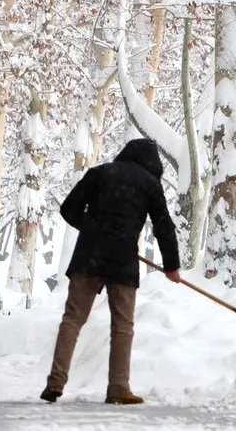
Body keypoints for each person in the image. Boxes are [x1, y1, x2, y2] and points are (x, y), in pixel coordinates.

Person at [40, 138, 182, 405]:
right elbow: (163, 224)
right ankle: (118, 387)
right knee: (122, 326)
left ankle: (55, 381)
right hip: (123, 258)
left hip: (89, 255)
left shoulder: (100, 173)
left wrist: (93, 228)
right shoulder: (150, 184)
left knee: (72, 319)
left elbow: (68, 209)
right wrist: (171, 265)